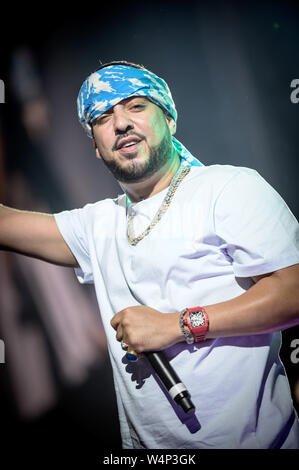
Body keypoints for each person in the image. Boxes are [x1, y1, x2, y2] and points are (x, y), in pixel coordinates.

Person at [1, 60, 299, 450]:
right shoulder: (98, 224)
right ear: (95, 145)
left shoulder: (228, 187)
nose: (121, 122)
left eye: (136, 107)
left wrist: (178, 325)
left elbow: (293, 292)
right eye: (103, 117)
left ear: (170, 120)